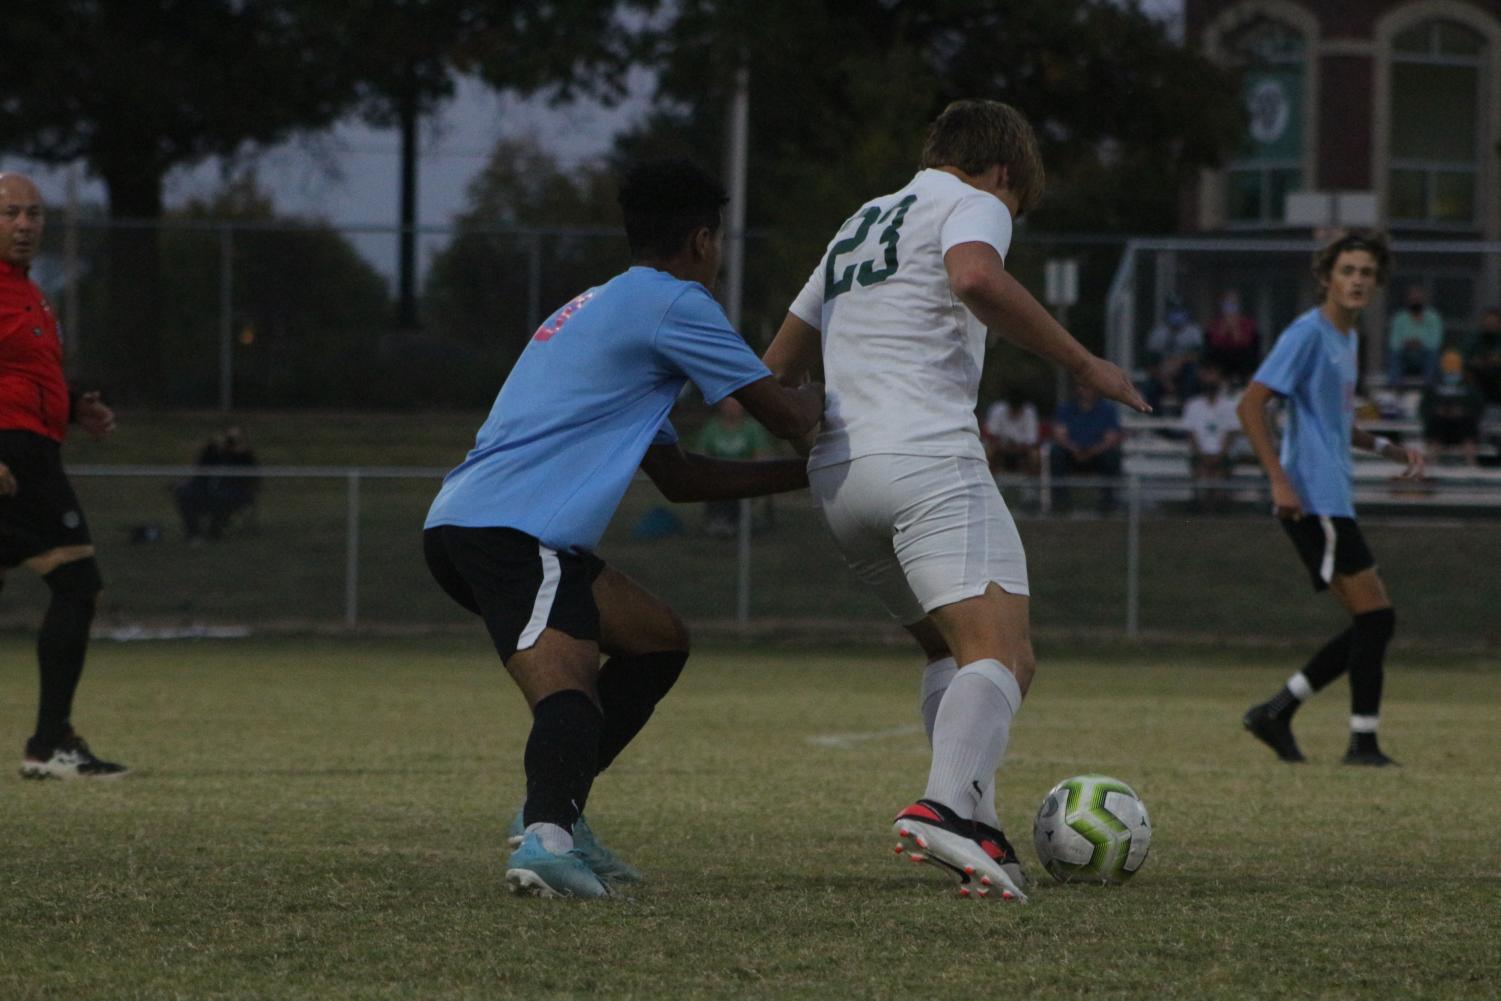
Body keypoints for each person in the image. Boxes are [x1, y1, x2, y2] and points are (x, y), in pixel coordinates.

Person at [762, 99, 1148, 903]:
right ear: (1004, 172)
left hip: (839, 476)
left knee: (951, 652)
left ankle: (979, 829)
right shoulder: (971, 199)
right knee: (1004, 655)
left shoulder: (858, 221)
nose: (1008, 217)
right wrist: (1083, 364)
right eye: (1016, 205)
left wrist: (838, 431)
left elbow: (778, 367)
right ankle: (944, 807)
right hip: (924, 456)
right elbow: (974, 275)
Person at [423, 159, 823, 899]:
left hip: (483, 523)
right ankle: (544, 839)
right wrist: (886, 418)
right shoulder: (674, 304)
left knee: (657, 639)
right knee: (567, 689)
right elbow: (787, 416)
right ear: (703, 240)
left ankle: (558, 812)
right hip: (509, 528)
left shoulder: (605, 304)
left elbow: (681, 478)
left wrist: (808, 476)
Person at [1238, 231, 1424, 768]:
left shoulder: (1347, 339)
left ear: (1377, 281)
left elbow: (1337, 422)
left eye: (1367, 272)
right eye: (1348, 270)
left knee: (1374, 622)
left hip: (1333, 499)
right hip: (1312, 501)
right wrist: (1278, 480)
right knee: (1377, 619)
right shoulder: (1309, 333)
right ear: (1327, 277)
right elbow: (1251, 405)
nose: (1358, 280)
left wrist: (1386, 447)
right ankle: (1360, 742)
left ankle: (1277, 712)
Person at [0, 172, 127, 780]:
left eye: (33, 213)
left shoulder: (27, 291)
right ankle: (51, 742)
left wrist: (75, 404)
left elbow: (28, 377)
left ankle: (50, 742)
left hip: (31, 448)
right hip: (14, 457)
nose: (25, 225)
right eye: (10, 214)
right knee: (77, 583)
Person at [694, 397, 775, 536]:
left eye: (735, 404)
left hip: (745, 477)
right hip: (718, 477)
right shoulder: (712, 428)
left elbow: (761, 455)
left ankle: (737, 523)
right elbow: (702, 454)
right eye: (728, 404)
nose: (732, 408)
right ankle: (720, 521)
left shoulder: (752, 428)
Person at [173, 424, 260, 541]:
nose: (231, 442)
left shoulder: (245, 456)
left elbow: (252, 478)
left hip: (232, 492)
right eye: (229, 438)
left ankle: (214, 531)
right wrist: (213, 447)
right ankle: (194, 533)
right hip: (206, 490)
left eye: (235, 439)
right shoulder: (213, 451)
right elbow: (200, 471)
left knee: (221, 497)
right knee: (184, 493)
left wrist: (240, 452)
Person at [1050, 384, 1125, 514]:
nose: (1085, 390)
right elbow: (1059, 434)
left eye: (1089, 386)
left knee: (1113, 456)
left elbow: (1111, 438)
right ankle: (1060, 502)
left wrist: (1091, 451)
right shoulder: (1065, 409)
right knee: (1056, 453)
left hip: (1097, 454)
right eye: (1082, 386)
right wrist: (1075, 449)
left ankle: (1108, 501)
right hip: (1072, 453)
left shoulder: (1107, 410)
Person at [1180, 363, 1240, 511]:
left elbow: (1231, 434)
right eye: (1208, 376)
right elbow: (1191, 434)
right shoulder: (1193, 405)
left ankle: (1218, 512)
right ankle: (1202, 511)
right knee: (1203, 476)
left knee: (1218, 477)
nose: (1211, 381)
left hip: (1222, 455)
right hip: (1200, 455)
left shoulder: (1230, 405)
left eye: (1214, 376)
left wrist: (1219, 456)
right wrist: (1202, 455)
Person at [1420, 349, 1484, 466]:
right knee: (1436, 423)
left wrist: (1463, 411)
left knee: (1469, 424)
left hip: (1462, 423)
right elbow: (1424, 407)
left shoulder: (1469, 384)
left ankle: (1471, 463)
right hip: (1440, 423)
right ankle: (1430, 462)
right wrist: (1437, 410)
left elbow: (1478, 406)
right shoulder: (1434, 385)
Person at [1141, 295, 1202, 410]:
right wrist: (1164, 380)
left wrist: (1179, 362)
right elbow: (1150, 364)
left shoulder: (1193, 332)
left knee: (1192, 376)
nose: (1177, 314)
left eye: (1180, 310)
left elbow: (1198, 357)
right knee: (1150, 386)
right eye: (1174, 310)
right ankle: (1155, 421)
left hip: (1184, 374)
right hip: (1162, 374)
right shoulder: (1157, 333)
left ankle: (1187, 415)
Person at [1386, 283, 1443, 386]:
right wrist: (1407, 343)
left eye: (1418, 298)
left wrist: (1420, 342)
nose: (1415, 300)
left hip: (1424, 355)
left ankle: (1428, 388)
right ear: (1408, 300)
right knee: (1394, 354)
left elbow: (1436, 342)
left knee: (1432, 354)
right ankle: (1394, 387)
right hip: (1405, 354)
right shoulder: (1399, 318)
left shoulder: (1433, 317)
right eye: (1413, 298)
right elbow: (1393, 342)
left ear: (1423, 299)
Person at [1203, 289, 1260, 383]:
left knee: (1247, 356)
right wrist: (1223, 329)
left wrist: (1235, 330)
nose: (1230, 308)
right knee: (1214, 356)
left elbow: (1246, 343)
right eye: (1227, 304)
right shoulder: (1216, 323)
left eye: (1233, 304)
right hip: (1222, 357)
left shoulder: (1247, 323)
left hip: (1241, 356)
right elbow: (1214, 343)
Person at [981, 389, 1041, 477]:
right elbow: (990, 434)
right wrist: (1003, 445)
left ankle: (1031, 485)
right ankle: (988, 478)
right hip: (1001, 446)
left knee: (1035, 455)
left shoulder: (1029, 412)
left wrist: (1017, 447)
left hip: (1022, 448)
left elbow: (1032, 440)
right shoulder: (998, 409)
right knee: (989, 450)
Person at [1463, 306, 1501, 405]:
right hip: (1477, 372)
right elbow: (1464, 356)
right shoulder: (1474, 337)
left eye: (1494, 322)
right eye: (1488, 321)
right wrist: (1474, 361)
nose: (1490, 324)